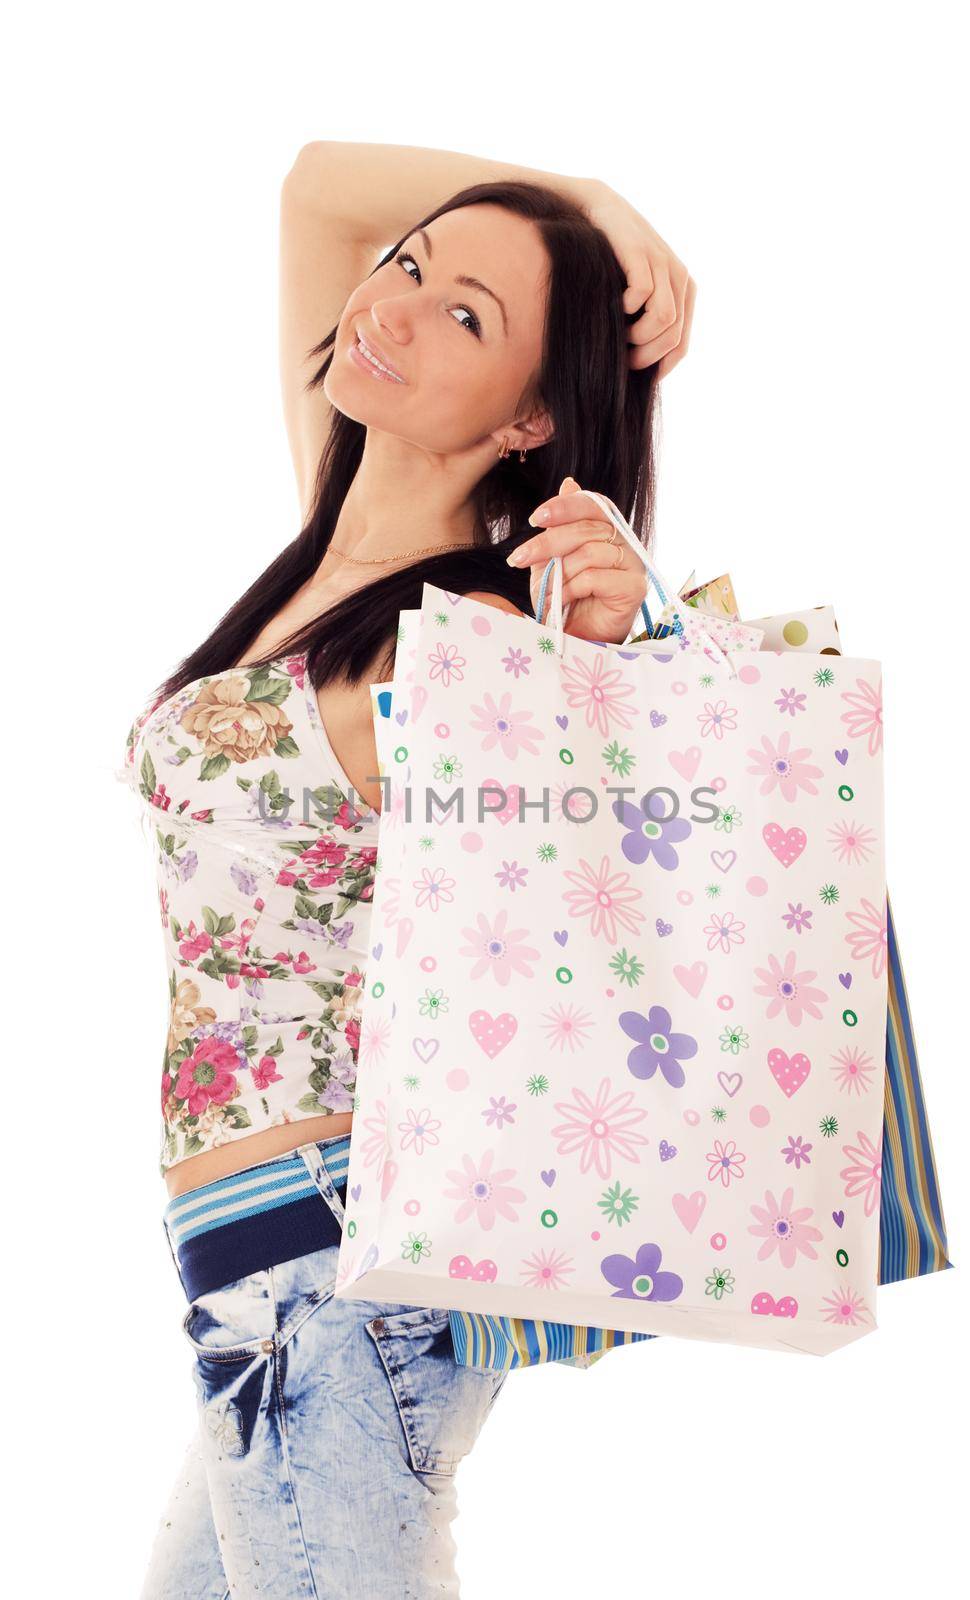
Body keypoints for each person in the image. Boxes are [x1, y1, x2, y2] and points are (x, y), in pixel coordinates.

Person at [126, 139, 694, 1599]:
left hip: (335, 1255)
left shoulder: (471, 642)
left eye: (463, 318)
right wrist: (595, 208)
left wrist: (610, 656)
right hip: (257, 1254)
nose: (390, 301)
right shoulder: (329, 539)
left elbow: (619, 871)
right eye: (410, 266)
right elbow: (320, 186)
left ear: (530, 417)